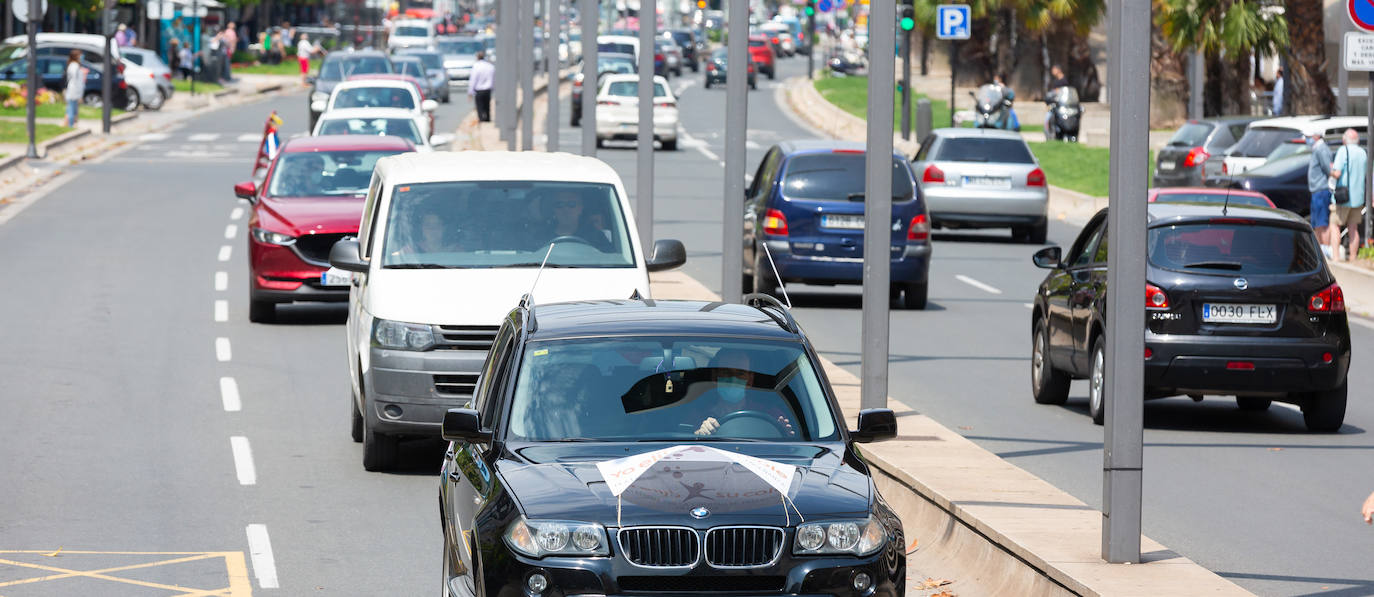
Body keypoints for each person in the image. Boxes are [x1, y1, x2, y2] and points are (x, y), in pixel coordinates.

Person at [692, 349, 797, 437]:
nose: (733, 379)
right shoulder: (699, 415)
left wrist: (784, 435)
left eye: (740, 373)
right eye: (726, 372)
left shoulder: (772, 415)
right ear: (715, 377)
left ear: (750, 380)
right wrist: (699, 434)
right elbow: (686, 449)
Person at [1329, 128, 1366, 261]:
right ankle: (1353, 258)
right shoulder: (1363, 152)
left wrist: (1329, 170)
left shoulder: (1342, 151)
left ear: (1344, 139)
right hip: (1358, 197)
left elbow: (1337, 173)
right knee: (1353, 228)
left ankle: (1336, 258)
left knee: (1335, 226)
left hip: (1343, 197)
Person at [1307, 129, 1335, 250]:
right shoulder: (1317, 149)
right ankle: (1320, 250)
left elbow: (1329, 169)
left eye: (1309, 136)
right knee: (1317, 223)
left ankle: (1325, 251)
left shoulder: (1321, 149)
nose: (1307, 139)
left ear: (1316, 136)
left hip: (1321, 190)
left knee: (1322, 223)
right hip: (1316, 190)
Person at [63, 50, 87, 128]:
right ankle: (70, 126)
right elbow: (75, 80)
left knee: (72, 109)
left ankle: (70, 125)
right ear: (76, 56)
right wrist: (79, 94)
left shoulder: (74, 65)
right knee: (71, 110)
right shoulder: (74, 66)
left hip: (74, 90)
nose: (81, 57)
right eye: (80, 55)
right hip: (73, 90)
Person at [469, 50, 495, 122]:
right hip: (488, 90)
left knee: (480, 106)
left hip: (479, 90)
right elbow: (493, 78)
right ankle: (487, 119)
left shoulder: (476, 66)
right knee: (487, 106)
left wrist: (470, 92)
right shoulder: (490, 66)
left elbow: (473, 80)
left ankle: (481, 120)